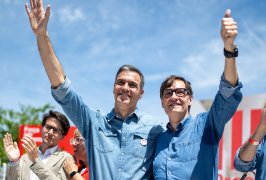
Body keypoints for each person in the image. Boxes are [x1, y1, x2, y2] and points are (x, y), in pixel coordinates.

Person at [25, 0, 164, 179]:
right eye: (120, 82)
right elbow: (62, 87)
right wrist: (42, 36)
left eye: (132, 85)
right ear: (113, 88)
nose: (125, 88)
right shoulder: (93, 124)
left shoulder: (155, 128)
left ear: (141, 93)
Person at [153, 9, 243, 179]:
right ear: (162, 102)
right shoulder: (158, 140)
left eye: (180, 92)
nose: (174, 96)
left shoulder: (206, 126)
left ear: (190, 99)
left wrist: (229, 49)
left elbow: (228, 91)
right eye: (168, 93)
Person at [3, 110, 71, 180]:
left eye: (55, 130)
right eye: (48, 127)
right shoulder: (25, 157)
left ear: (62, 136)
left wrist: (36, 161)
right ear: (42, 127)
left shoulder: (66, 159)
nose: (50, 132)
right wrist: (14, 162)